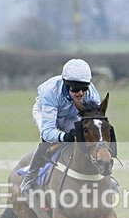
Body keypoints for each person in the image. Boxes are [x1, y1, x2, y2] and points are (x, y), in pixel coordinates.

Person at [20, 58, 101, 193]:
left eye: (84, 88)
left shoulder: (92, 95)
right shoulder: (50, 91)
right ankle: (30, 177)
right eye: (76, 88)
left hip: (70, 116)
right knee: (48, 142)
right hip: (46, 112)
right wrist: (64, 136)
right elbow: (48, 132)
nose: (81, 93)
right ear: (66, 84)